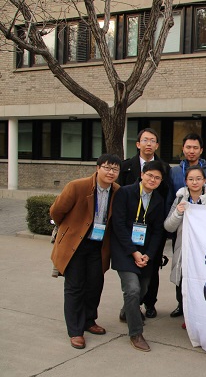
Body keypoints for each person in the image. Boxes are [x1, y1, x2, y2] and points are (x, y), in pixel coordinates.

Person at [50, 154, 121, 350]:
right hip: (76, 244)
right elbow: (56, 212)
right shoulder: (77, 186)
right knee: (75, 287)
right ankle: (75, 331)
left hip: (98, 246)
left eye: (115, 169)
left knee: (95, 285)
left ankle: (89, 320)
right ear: (98, 168)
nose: (111, 172)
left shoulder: (117, 191)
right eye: (107, 167)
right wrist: (70, 229)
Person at [111, 161, 165, 352]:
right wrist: (134, 252)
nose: (153, 180)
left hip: (146, 253)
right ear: (142, 174)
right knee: (132, 289)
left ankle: (126, 312)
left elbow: (158, 231)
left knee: (142, 290)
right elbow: (118, 225)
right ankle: (136, 334)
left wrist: (148, 255)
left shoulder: (158, 199)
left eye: (157, 178)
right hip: (125, 250)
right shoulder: (125, 193)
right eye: (150, 175)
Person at [118, 128, 171, 319]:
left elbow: (166, 195)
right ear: (138, 144)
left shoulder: (165, 168)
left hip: (153, 227)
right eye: (145, 140)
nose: (149, 144)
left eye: (153, 140)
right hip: (129, 228)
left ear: (157, 145)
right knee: (131, 277)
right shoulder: (126, 166)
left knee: (151, 270)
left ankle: (149, 303)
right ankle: (132, 308)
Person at [165, 165, 206, 322]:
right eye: (191, 179)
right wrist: (178, 213)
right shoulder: (180, 199)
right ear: (186, 181)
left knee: (203, 281)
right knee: (182, 278)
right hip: (184, 248)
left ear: (204, 180)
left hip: (204, 250)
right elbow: (168, 226)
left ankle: (201, 312)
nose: (195, 182)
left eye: (198, 179)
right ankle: (182, 306)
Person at [168, 132, 206, 318]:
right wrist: (175, 215)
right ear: (183, 149)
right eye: (188, 147)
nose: (191, 151)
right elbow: (169, 199)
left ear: (201, 150)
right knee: (181, 266)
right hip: (180, 227)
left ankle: (200, 306)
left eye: (195, 147)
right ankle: (181, 304)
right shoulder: (174, 172)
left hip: (203, 236)